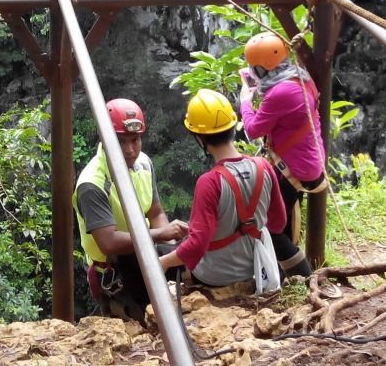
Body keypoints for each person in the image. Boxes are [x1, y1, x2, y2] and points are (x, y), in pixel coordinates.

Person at [73, 98, 188, 320]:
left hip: (146, 256)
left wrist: (169, 243)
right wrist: (160, 234)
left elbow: (155, 213)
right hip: (115, 275)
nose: (129, 149)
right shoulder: (92, 184)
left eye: (135, 140)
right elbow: (109, 242)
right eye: (120, 141)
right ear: (103, 138)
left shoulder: (144, 163)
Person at [159, 89, 284, 292]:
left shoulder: (209, 182)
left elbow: (197, 245)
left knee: (158, 252)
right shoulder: (264, 167)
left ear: (200, 139)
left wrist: (162, 263)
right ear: (233, 127)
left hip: (214, 277)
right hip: (254, 267)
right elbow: (278, 224)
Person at [240, 31, 324, 277]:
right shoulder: (302, 78)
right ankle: (287, 271)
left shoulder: (280, 93)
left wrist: (245, 100)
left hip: (293, 166)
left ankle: (304, 277)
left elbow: (253, 130)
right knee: (283, 216)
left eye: (254, 69)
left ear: (263, 70)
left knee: (271, 226)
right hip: (308, 159)